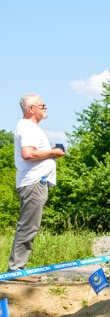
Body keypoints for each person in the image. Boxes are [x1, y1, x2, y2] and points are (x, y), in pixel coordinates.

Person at [7, 94, 65, 282]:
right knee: (28, 226)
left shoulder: (29, 127)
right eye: (42, 105)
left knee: (30, 226)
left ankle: (18, 269)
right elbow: (28, 153)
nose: (45, 108)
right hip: (33, 183)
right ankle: (15, 270)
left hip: (35, 183)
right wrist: (53, 152)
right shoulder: (28, 127)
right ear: (32, 109)